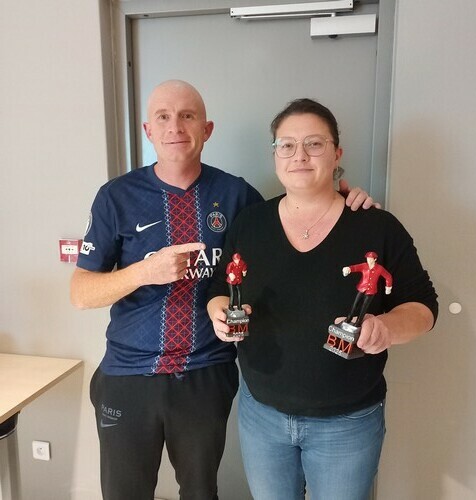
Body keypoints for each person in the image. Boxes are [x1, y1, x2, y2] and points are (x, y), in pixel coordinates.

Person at [70, 81, 377, 500]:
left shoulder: (237, 196)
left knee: (201, 492)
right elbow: (81, 293)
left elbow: (293, 217)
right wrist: (145, 271)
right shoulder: (116, 197)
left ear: (207, 128)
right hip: (128, 374)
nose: (175, 127)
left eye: (188, 116)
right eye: (163, 117)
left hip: (206, 373)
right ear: (148, 130)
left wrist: (343, 195)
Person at [207, 98, 438, 500]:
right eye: (287, 145)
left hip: (347, 424)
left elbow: (424, 306)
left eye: (314, 143)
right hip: (261, 416)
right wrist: (218, 313)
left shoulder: (377, 226)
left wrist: (386, 328)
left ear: (336, 154)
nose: (299, 155)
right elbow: (218, 288)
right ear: (275, 155)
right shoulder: (250, 223)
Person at [343, 250, 393, 326]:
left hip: (371, 291)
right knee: (355, 304)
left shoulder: (379, 268)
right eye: (367, 258)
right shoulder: (364, 266)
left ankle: (358, 322)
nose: (368, 260)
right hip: (361, 288)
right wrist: (348, 269)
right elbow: (355, 267)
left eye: (370, 259)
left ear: (375, 259)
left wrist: (388, 287)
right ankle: (349, 318)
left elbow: (388, 276)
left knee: (364, 307)